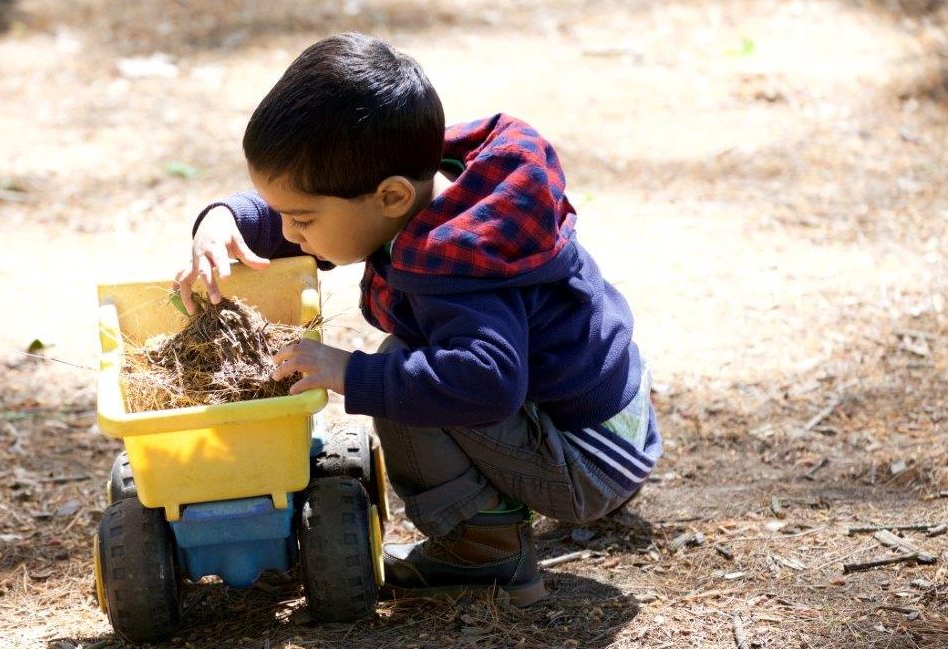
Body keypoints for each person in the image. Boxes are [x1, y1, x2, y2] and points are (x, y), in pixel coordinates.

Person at [174, 32, 662, 607]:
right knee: (410, 365)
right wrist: (226, 217)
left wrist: (354, 375)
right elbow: (319, 210)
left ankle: (485, 550)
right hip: (617, 425)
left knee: (397, 373)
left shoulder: (456, 265)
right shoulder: (445, 180)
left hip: (590, 462)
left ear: (390, 197)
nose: (287, 234)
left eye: (301, 219)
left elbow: (489, 381)